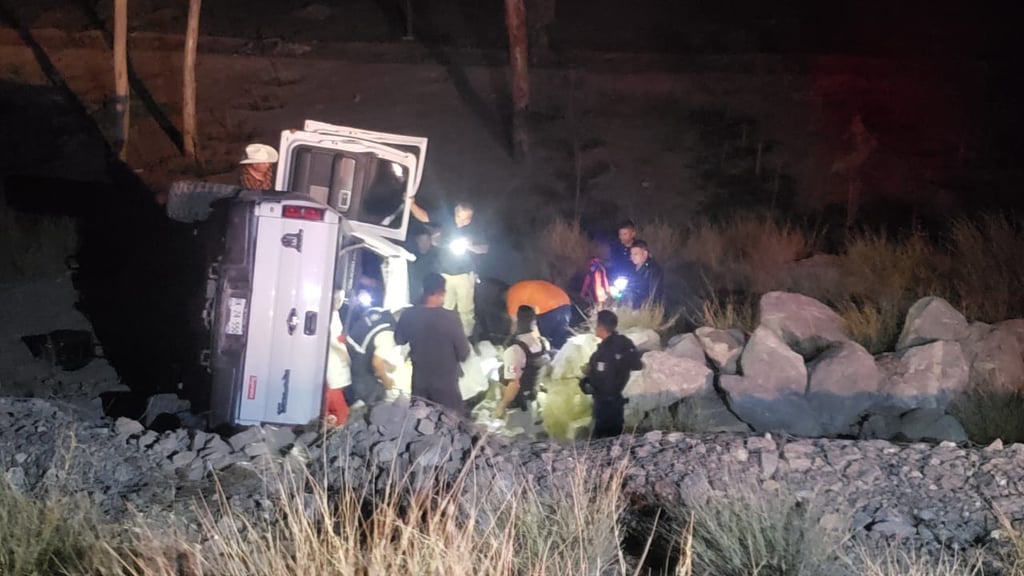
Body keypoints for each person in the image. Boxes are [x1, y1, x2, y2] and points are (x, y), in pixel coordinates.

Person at [394, 273, 471, 413]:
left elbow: (399, 339)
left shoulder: (408, 315)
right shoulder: (451, 318)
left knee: (420, 425)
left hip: (420, 385)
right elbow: (464, 353)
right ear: (441, 292)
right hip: (446, 388)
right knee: (452, 427)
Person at [410, 200, 488, 337]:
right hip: (445, 274)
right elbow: (424, 217)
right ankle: (443, 336)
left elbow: (484, 248)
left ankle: (466, 338)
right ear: (456, 213)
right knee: (445, 307)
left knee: (466, 310)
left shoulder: (474, 229)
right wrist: (411, 203)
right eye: (461, 217)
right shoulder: (445, 222)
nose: (464, 221)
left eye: (467, 218)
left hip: (464, 274)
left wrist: (470, 246)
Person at [579, 310, 643, 438]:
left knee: (601, 441)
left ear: (601, 327)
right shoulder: (624, 342)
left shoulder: (605, 351)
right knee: (615, 439)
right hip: (617, 402)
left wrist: (588, 375)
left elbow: (603, 379)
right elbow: (637, 365)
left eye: (596, 325)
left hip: (605, 404)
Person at [341, 289, 399, 408]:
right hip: (359, 373)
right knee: (378, 397)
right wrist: (387, 383)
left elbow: (369, 340)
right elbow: (377, 364)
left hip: (346, 357)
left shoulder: (377, 312)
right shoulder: (387, 334)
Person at [497, 306, 551, 419]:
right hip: (533, 398)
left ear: (516, 321)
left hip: (517, 406)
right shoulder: (543, 343)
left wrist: (502, 406)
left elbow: (514, 385)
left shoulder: (515, 350)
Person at [505, 279, 572, 350]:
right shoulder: (522, 287)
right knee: (558, 342)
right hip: (565, 303)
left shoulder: (512, 295)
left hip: (549, 308)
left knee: (539, 344)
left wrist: (510, 342)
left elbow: (515, 323)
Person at [623, 240, 664, 308]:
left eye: (636, 254)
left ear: (645, 254)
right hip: (631, 306)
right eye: (631, 254)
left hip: (644, 308)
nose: (632, 257)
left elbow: (654, 294)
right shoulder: (631, 268)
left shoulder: (653, 270)